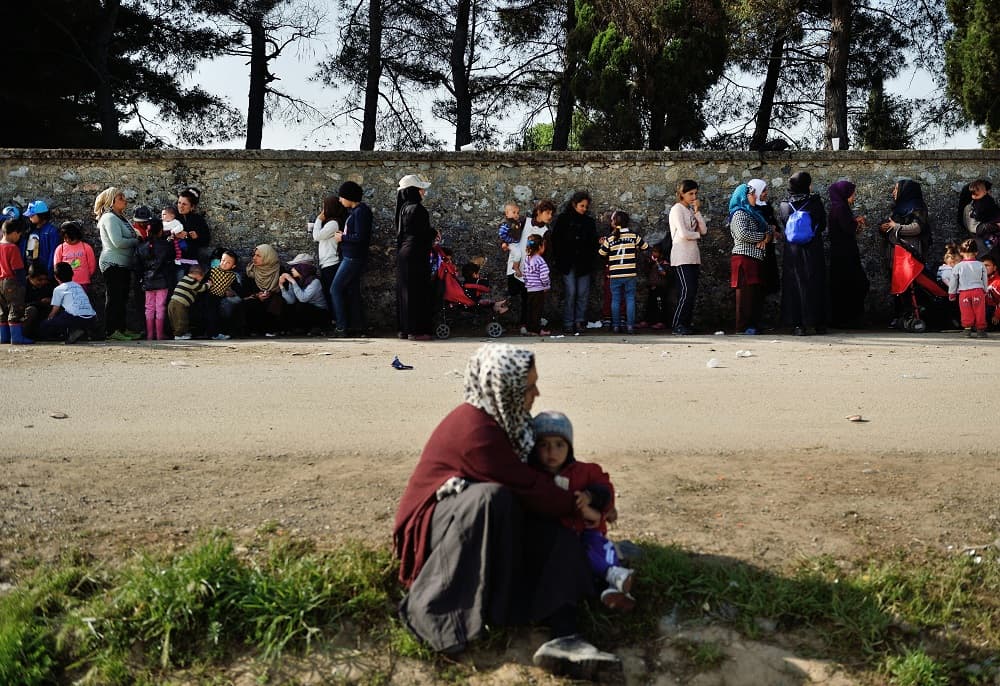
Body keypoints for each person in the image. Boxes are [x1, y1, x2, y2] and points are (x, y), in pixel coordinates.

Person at [393, 344, 618, 678]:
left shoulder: (510, 425)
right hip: (435, 530)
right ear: (505, 387)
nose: (536, 393)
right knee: (492, 498)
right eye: (530, 386)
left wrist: (593, 500)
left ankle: (564, 634)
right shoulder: (475, 429)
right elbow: (529, 488)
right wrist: (575, 503)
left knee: (556, 536)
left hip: (483, 524)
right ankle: (440, 610)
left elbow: (539, 484)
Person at [530, 410, 636, 611]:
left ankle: (616, 583)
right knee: (583, 559)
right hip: (561, 538)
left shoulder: (585, 471)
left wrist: (591, 497)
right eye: (544, 445)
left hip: (588, 531)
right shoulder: (534, 477)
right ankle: (613, 584)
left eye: (559, 445)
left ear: (569, 447)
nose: (552, 452)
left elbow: (605, 489)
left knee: (602, 548)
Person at [879, 179, 932, 327]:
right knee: (898, 286)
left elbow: (917, 228)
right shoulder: (897, 208)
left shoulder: (917, 207)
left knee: (911, 286)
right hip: (896, 253)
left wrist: (896, 227)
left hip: (910, 253)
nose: (893, 192)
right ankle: (901, 316)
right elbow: (892, 226)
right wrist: (884, 228)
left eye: (896, 189)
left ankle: (914, 315)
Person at [95, 187, 141, 341]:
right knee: (114, 298)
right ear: (111, 201)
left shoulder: (121, 218)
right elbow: (118, 242)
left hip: (123, 264)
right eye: (120, 197)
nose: (124, 200)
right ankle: (111, 330)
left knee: (122, 299)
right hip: (113, 264)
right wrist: (137, 241)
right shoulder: (109, 218)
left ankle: (121, 329)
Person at [394, 173, 436, 341]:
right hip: (416, 253)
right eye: (420, 190)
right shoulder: (418, 209)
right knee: (418, 291)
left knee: (405, 292)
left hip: (404, 253)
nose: (423, 193)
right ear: (412, 191)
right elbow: (422, 234)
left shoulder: (402, 209)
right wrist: (434, 233)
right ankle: (417, 330)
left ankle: (405, 329)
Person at [551, 191, 599, 335]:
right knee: (571, 292)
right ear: (574, 204)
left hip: (584, 263)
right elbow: (556, 240)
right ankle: (568, 322)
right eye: (581, 206)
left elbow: (592, 242)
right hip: (568, 262)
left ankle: (579, 321)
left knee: (583, 293)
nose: (584, 209)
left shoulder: (589, 222)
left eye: (586, 206)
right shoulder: (563, 220)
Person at [330, 181, 373, 337]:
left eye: (342, 197)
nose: (340, 200)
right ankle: (357, 326)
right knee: (352, 291)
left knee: (335, 289)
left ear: (349, 196)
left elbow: (361, 237)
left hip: (353, 258)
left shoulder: (361, 212)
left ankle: (341, 327)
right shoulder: (356, 211)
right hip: (351, 256)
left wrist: (343, 237)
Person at [728, 182, 770, 335]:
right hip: (744, 257)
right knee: (745, 294)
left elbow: (769, 229)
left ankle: (753, 324)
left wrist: (766, 236)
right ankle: (743, 326)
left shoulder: (752, 212)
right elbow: (742, 234)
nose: (754, 196)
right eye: (751, 194)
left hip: (754, 257)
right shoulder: (739, 213)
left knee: (754, 293)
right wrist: (762, 236)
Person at [508, 200, 555, 334]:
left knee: (531, 300)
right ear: (539, 212)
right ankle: (524, 324)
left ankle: (530, 325)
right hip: (519, 265)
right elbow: (512, 232)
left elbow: (547, 254)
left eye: (551, 213)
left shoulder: (545, 232)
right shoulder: (525, 222)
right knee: (523, 297)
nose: (550, 216)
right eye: (547, 213)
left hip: (532, 270)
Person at [826, 180, 868, 330]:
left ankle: (842, 319)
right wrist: (858, 223)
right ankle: (850, 319)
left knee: (843, 285)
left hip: (840, 253)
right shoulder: (841, 208)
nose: (853, 197)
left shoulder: (838, 208)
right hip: (845, 254)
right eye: (852, 194)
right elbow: (848, 229)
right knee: (853, 284)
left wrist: (854, 221)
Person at [598, 210, 648, 334]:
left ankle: (615, 326)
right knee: (630, 298)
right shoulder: (633, 236)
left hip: (615, 273)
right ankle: (630, 326)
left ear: (614, 223)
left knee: (615, 299)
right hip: (630, 273)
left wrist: (601, 244)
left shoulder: (610, 238)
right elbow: (645, 247)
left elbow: (601, 253)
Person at [668, 180, 707, 335]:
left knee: (692, 292)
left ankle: (686, 324)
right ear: (682, 194)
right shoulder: (677, 209)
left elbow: (703, 230)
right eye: (690, 193)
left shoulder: (690, 210)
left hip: (693, 257)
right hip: (681, 256)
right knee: (686, 291)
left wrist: (697, 211)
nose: (693, 196)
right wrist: (697, 235)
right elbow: (683, 234)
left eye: (695, 193)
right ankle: (677, 324)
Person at [134, 219, 174, 341]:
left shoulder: (141, 247)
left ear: (147, 230)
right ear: (161, 231)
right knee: (160, 306)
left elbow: (137, 266)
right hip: (163, 281)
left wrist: (142, 278)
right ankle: (160, 334)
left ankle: (150, 334)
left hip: (147, 281)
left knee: (149, 307)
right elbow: (172, 258)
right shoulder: (166, 246)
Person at [38, 262, 97, 344]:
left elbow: (55, 309)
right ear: (72, 274)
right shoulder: (78, 285)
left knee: (46, 324)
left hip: (76, 318)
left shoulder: (58, 289)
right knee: (68, 313)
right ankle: (78, 331)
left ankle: (58, 337)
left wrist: (48, 319)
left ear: (56, 277)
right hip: (92, 317)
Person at [747, 179, 781, 306]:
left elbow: (775, 228)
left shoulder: (767, 207)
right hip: (756, 250)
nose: (766, 193)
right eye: (763, 190)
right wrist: (766, 233)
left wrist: (774, 231)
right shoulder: (750, 209)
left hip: (768, 249)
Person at [313, 194, 347, 316]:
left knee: (333, 294)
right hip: (326, 263)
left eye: (325, 207)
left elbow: (316, 236)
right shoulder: (330, 223)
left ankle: (338, 321)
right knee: (329, 293)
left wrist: (318, 220)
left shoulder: (333, 223)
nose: (323, 210)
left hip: (331, 263)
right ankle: (335, 320)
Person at [0, 217, 33, 344]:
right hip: (11, 281)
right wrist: (23, 285)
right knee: (15, 308)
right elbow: (18, 268)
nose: (19, 237)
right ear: (14, 233)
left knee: (2, 310)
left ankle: (3, 337)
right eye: (19, 234)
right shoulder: (12, 248)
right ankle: (16, 337)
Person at [948, 238, 989, 338]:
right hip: (978, 291)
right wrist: (985, 290)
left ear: (961, 252)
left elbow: (953, 281)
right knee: (980, 311)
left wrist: (952, 293)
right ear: (976, 252)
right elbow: (985, 279)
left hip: (964, 293)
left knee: (966, 311)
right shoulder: (981, 265)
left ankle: (967, 330)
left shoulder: (958, 266)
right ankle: (980, 330)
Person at [279, 253, 328, 335]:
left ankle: (316, 328)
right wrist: (281, 286)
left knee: (301, 305)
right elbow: (291, 301)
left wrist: (292, 281)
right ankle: (297, 329)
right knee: (287, 305)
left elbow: (303, 298)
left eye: (295, 267)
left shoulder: (314, 281)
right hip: (305, 310)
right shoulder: (295, 280)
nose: (292, 269)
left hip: (319, 312)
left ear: (302, 268)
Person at [244, 244, 284, 337]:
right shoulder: (251, 271)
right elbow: (245, 290)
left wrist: (270, 293)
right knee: (250, 303)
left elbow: (285, 289)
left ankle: (272, 330)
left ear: (268, 257)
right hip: (256, 297)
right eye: (254, 255)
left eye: (258, 256)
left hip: (274, 296)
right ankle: (254, 330)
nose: (254, 258)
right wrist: (257, 295)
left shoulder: (279, 270)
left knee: (276, 301)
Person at [202, 249, 243, 340]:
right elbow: (203, 281)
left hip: (219, 298)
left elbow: (237, 288)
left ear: (233, 266)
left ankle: (215, 333)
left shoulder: (232, 276)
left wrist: (245, 296)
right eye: (223, 260)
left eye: (228, 263)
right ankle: (213, 334)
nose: (224, 263)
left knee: (217, 315)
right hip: (208, 296)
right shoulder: (212, 271)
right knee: (211, 315)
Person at [52, 221, 96, 292]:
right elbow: (56, 267)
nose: (67, 240)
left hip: (83, 283)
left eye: (70, 238)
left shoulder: (86, 247)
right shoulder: (60, 248)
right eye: (65, 238)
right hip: (66, 284)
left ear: (77, 236)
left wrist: (85, 276)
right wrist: (60, 280)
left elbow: (92, 265)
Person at [168, 265, 208, 340]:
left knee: (175, 320)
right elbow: (200, 288)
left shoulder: (184, 279)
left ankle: (178, 334)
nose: (201, 279)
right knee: (182, 319)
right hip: (180, 304)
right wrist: (208, 285)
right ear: (197, 274)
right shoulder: (191, 281)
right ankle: (179, 335)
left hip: (172, 302)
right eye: (202, 276)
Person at [522, 233, 551, 336]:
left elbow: (524, 273)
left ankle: (530, 329)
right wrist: (546, 286)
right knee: (537, 311)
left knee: (530, 310)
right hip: (538, 290)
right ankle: (537, 330)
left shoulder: (527, 259)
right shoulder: (540, 260)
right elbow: (544, 275)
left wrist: (527, 283)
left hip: (530, 289)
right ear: (540, 247)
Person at [23, 199, 60, 278]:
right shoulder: (31, 231)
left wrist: (50, 273)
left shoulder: (51, 231)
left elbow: (53, 253)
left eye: (32, 215)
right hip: (31, 273)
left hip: (45, 274)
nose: (30, 217)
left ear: (41, 215)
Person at [174, 187, 211, 265]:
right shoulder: (172, 216)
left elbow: (206, 240)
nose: (180, 206)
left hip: (190, 258)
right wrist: (174, 235)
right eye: (179, 202)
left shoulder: (198, 220)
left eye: (184, 204)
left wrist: (197, 236)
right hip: (172, 257)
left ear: (192, 207)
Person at [639, 243, 671, 329]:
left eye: (656, 252)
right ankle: (648, 321)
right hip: (652, 287)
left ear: (661, 254)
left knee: (660, 305)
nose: (654, 254)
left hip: (661, 288)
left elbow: (664, 273)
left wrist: (658, 264)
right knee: (650, 304)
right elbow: (646, 272)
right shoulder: (651, 263)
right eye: (653, 252)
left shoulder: (665, 263)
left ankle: (661, 322)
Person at [22, 261, 54, 339]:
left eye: (45, 279)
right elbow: (19, 305)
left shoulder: (48, 285)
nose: (43, 282)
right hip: (25, 314)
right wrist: (38, 302)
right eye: (39, 280)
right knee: (31, 310)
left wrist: (51, 300)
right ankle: (24, 335)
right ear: (30, 278)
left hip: (43, 313)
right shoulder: (22, 286)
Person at [984, 255, 1000, 329]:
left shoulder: (998, 282)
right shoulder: (978, 280)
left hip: (994, 311)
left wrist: (997, 315)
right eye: (982, 266)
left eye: (987, 265)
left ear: (994, 267)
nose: (984, 268)